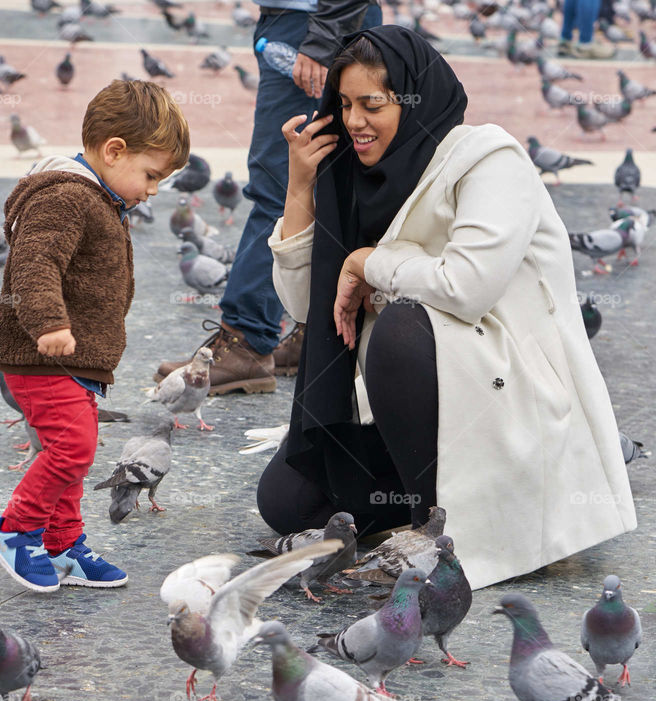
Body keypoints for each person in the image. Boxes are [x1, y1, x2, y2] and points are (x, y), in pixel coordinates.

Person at [260, 26, 635, 589]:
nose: (354, 121)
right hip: (407, 403)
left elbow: (467, 287)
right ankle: (422, 496)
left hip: (500, 395)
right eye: (343, 104)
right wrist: (299, 190)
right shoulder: (350, 180)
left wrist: (370, 261)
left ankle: (432, 532)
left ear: (412, 99)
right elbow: (306, 307)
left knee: (399, 330)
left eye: (372, 104)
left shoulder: (488, 158)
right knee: (288, 499)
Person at [0, 80, 189, 592]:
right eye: (151, 175)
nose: (153, 189)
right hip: (42, 354)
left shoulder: (98, 198)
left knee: (73, 451)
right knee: (73, 449)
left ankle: (61, 542)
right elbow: (34, 262)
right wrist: (49, 322)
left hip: (77, 362)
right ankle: (16, 529)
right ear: (114, 151)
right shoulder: (66, 198)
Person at [154, 0, 382, 395]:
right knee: (325, 182)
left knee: (278, 186)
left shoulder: (317, 33)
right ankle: (315, 331)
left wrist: (322, 36)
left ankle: (247, 341)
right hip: (308, 25)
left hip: (312, 27)